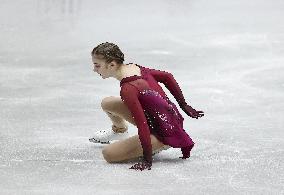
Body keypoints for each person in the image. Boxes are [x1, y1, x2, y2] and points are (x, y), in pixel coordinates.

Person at [91, 42, 204, 171]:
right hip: (167, 119)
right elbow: (167, 77)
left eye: (97, 65)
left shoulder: (128, 88)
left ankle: (160, 145)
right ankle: (120, 131)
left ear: (111, 64)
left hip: (164, 133)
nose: (94, 69)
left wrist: (147, 159)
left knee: (108, 154)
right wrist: (183, 105)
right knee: (107, 102)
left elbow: (142, 124)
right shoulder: (134, 68)